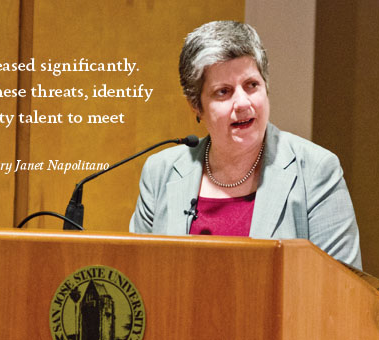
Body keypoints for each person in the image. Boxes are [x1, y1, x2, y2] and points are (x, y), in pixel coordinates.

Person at [129, 21, 362, 269]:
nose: (242, 103)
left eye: (252, 85)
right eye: (223, 91)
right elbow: (138, 277)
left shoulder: (316, 170)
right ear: (196, 106)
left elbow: (343, 290)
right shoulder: (160, 172)